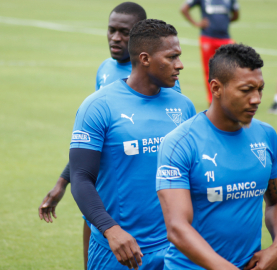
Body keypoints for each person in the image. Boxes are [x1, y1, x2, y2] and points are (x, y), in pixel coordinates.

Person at [37, 3, 181, 269]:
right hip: (109, 205)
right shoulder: (104, 76)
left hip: (162, 233)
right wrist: (64, 181)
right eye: (111, 30)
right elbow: (94, 143)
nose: (115, 38)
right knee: (93, 218)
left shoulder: (170, 90)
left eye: (124, 32)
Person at [69, 19, 196, 270]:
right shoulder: (98, 106)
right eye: (172, 57)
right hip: (117, 251)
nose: (179, 65)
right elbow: (81, 177)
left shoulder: (183, 106)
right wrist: (110, 229)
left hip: (174, 250)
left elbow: (193, 176)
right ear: (145, 58)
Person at [156, 44, 277, 270]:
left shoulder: (266, 135)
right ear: (216, 88)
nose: (256, 99)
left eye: (260, 89)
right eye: (246, 90)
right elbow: (177, 228)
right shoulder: (180, 143)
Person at [180, 0, 239, 105]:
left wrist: (224, 21)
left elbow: (236, 14)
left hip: (225, 38)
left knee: (231, 69)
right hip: (208, 38)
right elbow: (184, 9)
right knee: (209, 70)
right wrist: (196, 23)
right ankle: (212, 100)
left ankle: (230, 98)